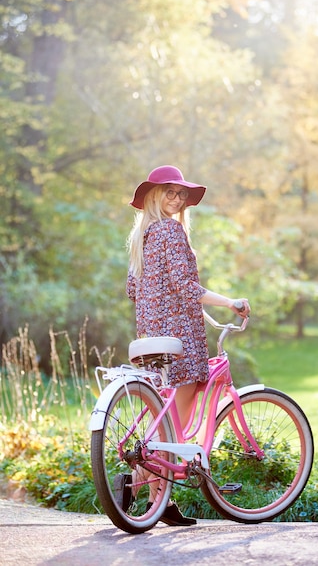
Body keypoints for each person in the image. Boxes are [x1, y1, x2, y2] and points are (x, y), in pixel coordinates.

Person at [114, 165, 250, 526]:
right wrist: (231, 302)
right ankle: (142, 490)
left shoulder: (142, 236)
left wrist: (165, 303)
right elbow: (187, 287)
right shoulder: (170, 232)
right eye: (169, 192)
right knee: (175, 426)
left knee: (165, 423)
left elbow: (133, 289)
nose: (176, 199)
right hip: (179, 338)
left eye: (181, 194)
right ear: (154, 196)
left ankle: (158, 500)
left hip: (151, 336)